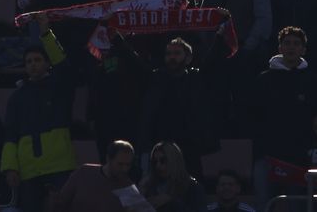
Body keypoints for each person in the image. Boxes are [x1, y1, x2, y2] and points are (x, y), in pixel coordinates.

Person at [0, 29, 77, 212]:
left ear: (47, 63)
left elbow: (63, 67)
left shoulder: (60, 88)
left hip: (60, 166)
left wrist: (46, 35)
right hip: (30, 170)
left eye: (37, 60)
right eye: (28, 62)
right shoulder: (17, 97)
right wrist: (10, 167)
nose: (33, 65)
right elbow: (10, 134)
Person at [250, 27, 317, 210]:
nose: (291, 47)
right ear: (280, 47)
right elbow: (253, 116)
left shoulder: (313, 81)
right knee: (263, 205)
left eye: (296, 44)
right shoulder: (263, 80)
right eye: (287, 43)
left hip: (299, 159)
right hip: (266, 156)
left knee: (296, 207)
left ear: (303, 50)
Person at [137, 38, 220, 177]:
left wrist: (220, 35)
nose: (172, 57)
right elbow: (136, 64)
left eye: (176, 53)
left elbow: (211, 60)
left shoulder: (196, 79)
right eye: (168, 53)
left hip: (189, 146)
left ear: (188, 58)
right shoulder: (157, 78)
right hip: (161, 144)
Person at [50, 139, 138, 212]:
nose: (124, 169)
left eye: (128, 165)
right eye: (120, 164)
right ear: (108, 159)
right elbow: (61, 202)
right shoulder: (84, 173)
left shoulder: (127, 188)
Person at [140, 141, 209, 212]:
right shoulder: (150, 185)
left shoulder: (192, 187)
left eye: (163, 160)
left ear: (173, 160)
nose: (158, 166)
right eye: (155, 162)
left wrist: (171, 201)